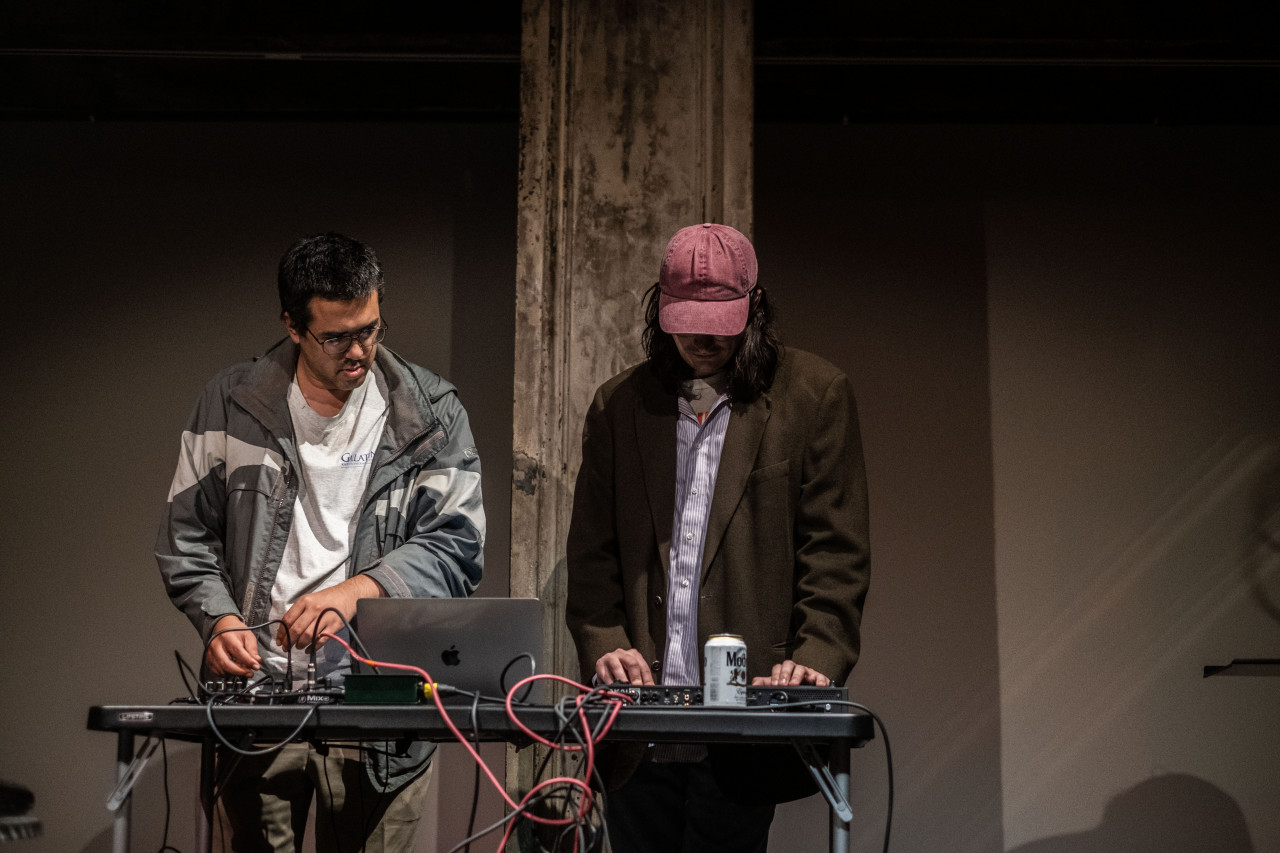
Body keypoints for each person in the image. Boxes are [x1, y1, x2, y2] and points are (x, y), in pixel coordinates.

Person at [156, 232, 485, 852]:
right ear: (292, 325)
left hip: (379, 709)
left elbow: (458, 543)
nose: (359, 351)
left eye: (372, 329)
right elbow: (186, 536)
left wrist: (361, 590)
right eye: (337, 337)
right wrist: (219, 618)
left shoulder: (430, 409)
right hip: (260, 706)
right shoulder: (231, 405)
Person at [565, 223, 870, 852]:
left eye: (721, 320)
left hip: (745, 718)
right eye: (686, 319)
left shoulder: (813, 397)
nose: (703, 338)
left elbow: (835, 553)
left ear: (755, 307)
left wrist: (815, 657)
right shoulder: (618, 406)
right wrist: (604, 643)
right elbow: (592, 554)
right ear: (660, 307)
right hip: (639, 718)